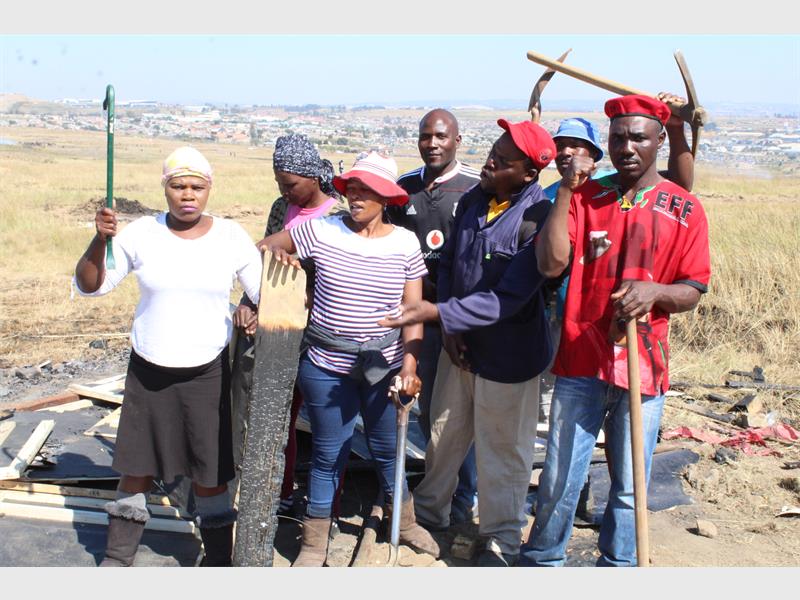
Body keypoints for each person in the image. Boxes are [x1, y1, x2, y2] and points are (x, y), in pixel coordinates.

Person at [519, 95, 711, 567]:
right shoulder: (588, 197)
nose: (627, 148)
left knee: (630, 483)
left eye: (638, 138)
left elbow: (692, 289)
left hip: (644, 365)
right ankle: (542, 560)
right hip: (581, 358)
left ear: (659, 141)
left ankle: (621, 566)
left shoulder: (684, 208)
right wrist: (567, 190)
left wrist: (656, 292)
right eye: (618, 138)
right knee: (560, 476)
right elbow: (551, 264)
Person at [379, 119, 557, 566]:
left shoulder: (537, 219)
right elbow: (449, 268)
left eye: (502, 161)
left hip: (508, 358)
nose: (490, 162)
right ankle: (427, 515)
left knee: (503, 452)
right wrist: (452, 329)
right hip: (460, 348)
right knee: (443, 436)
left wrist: (436, 314)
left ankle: (500, 539)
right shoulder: (477, 198)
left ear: (528, 174)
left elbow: (507, 299)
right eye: (493, 152)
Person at [74, 147, 263, 567]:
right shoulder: (142, 233)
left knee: (209, 473)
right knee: (137, 468)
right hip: (149, 371)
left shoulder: (230, 237)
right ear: (165, 188)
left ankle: (218, 562)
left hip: (207, 373)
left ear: (209, 188)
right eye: (178, 186)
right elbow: (91, 286)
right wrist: (100, 240)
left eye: (196, 186)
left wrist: (253, 303)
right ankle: (118, 556)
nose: (188, 195)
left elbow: (264, 289)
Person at [258, 151, 441, 567]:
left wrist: (409, 367)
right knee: (328, 452)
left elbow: (413, 313)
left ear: (387, 197)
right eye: (351, 189)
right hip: (326, 367)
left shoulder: (404, 243)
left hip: (384, 367)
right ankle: (314, 541)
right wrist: (279, 256)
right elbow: (266, 247)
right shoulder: (321, 231)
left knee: (388, 447)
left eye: (366, 191)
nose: (355, 198)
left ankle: (405, 521)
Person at [230, 133, 347, 518]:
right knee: (280, 415)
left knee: (327, 423)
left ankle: (325, 507)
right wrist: (249, 302)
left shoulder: (338, 215)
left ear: (312, 176)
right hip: (280, 328)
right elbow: (259, 264)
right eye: (279, 183)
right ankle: (278, 493)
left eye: (291, 184)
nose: (284, 191)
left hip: (322, 331)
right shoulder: (282, 207)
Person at [388, 108, 481, 524]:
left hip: (459, 318)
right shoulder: (403, 188)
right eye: (426, 136)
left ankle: (465, 496)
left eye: (441, 136)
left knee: (463, 412)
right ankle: (434, 494)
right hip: (415, 319)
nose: (433, 144)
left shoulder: (475, 188)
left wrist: (459, 318)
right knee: (427, 408)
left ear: (457, 140)